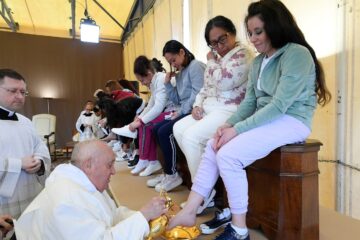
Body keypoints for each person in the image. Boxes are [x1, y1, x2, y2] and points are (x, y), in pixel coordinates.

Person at [168, 1, 331, 240]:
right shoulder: (258, 62)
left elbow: (279, 106)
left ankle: (239, 229)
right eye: (250, 33)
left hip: (292, 120)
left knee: (228, 155)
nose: (253, 39)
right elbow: (249, 103)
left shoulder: (297, 54)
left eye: (258, 32)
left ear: (275, 27)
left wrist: (237, 129)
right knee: (215, 143)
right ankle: (190, 210)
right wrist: (228, 125)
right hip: (268, 119)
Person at [173, 16, 254, 215]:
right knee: (177, 128)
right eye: (213, 43)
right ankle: (205, 183)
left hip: (231, 109)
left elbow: (224, 82)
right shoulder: (217, 60)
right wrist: (197, 105)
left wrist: (210, 61)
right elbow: (205, 88)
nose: (218, 46)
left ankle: (202, 193)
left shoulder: (244, 54)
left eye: (222, 39)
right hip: (209, 107)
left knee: (192, 137)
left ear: (233, 33)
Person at [15, 140, 168, 240]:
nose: (114, 171)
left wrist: (148, 217)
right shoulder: (67, 200)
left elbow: (113, 214)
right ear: (88, 165)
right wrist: (143, 216)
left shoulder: (82, 182)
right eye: (110, 165)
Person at [149, 40, 205, 192]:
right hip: (185, 110)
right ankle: (168, 172)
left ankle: (172, 174)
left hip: (195, 110)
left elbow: (198, 93)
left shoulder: (195, 66)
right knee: (155, 129)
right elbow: (177, 100)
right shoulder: (180, 73)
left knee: (164, 131)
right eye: (170, 62)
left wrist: (180, 112)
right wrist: (168, 84)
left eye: (173, 60)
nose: (173, 64)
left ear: (182, 52)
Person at [0, 69, 51, 220]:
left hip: (31, 194)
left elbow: (40, 149)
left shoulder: (26, 122)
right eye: (13, 91)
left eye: (23, 92)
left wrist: (40, 163)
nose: (19, 96)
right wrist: (18, 164)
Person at [117, 56, 169, 177]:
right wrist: (139, 117)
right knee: (143, 123)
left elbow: (158, 107)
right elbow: (151, 104)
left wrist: (140, 121)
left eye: (142, 80)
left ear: (149, 73)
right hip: (164, 111)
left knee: (145, 124)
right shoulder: (153, 82)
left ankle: (144, 158)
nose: (142, 83)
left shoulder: (160, 80)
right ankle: (150, 160)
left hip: (171, 111)